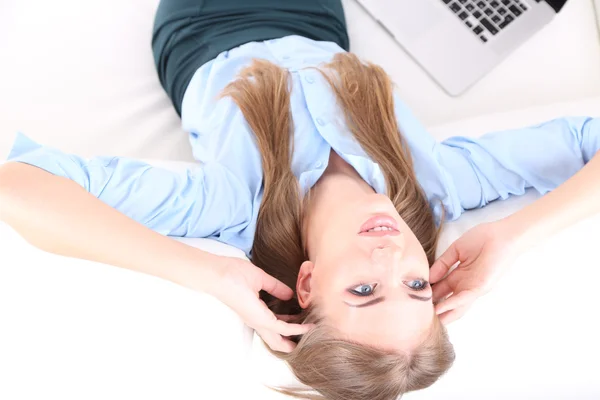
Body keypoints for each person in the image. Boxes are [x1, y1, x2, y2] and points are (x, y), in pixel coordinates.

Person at [0, 0, 599, 398]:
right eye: (416, 286)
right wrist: (517, 235)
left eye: (363, 292)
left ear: (307, 286)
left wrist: (206, 274)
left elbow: (18, 186)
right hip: (318, 18)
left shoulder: (232, 207)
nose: (393, 262)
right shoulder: (440, 185)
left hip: (210, 21)